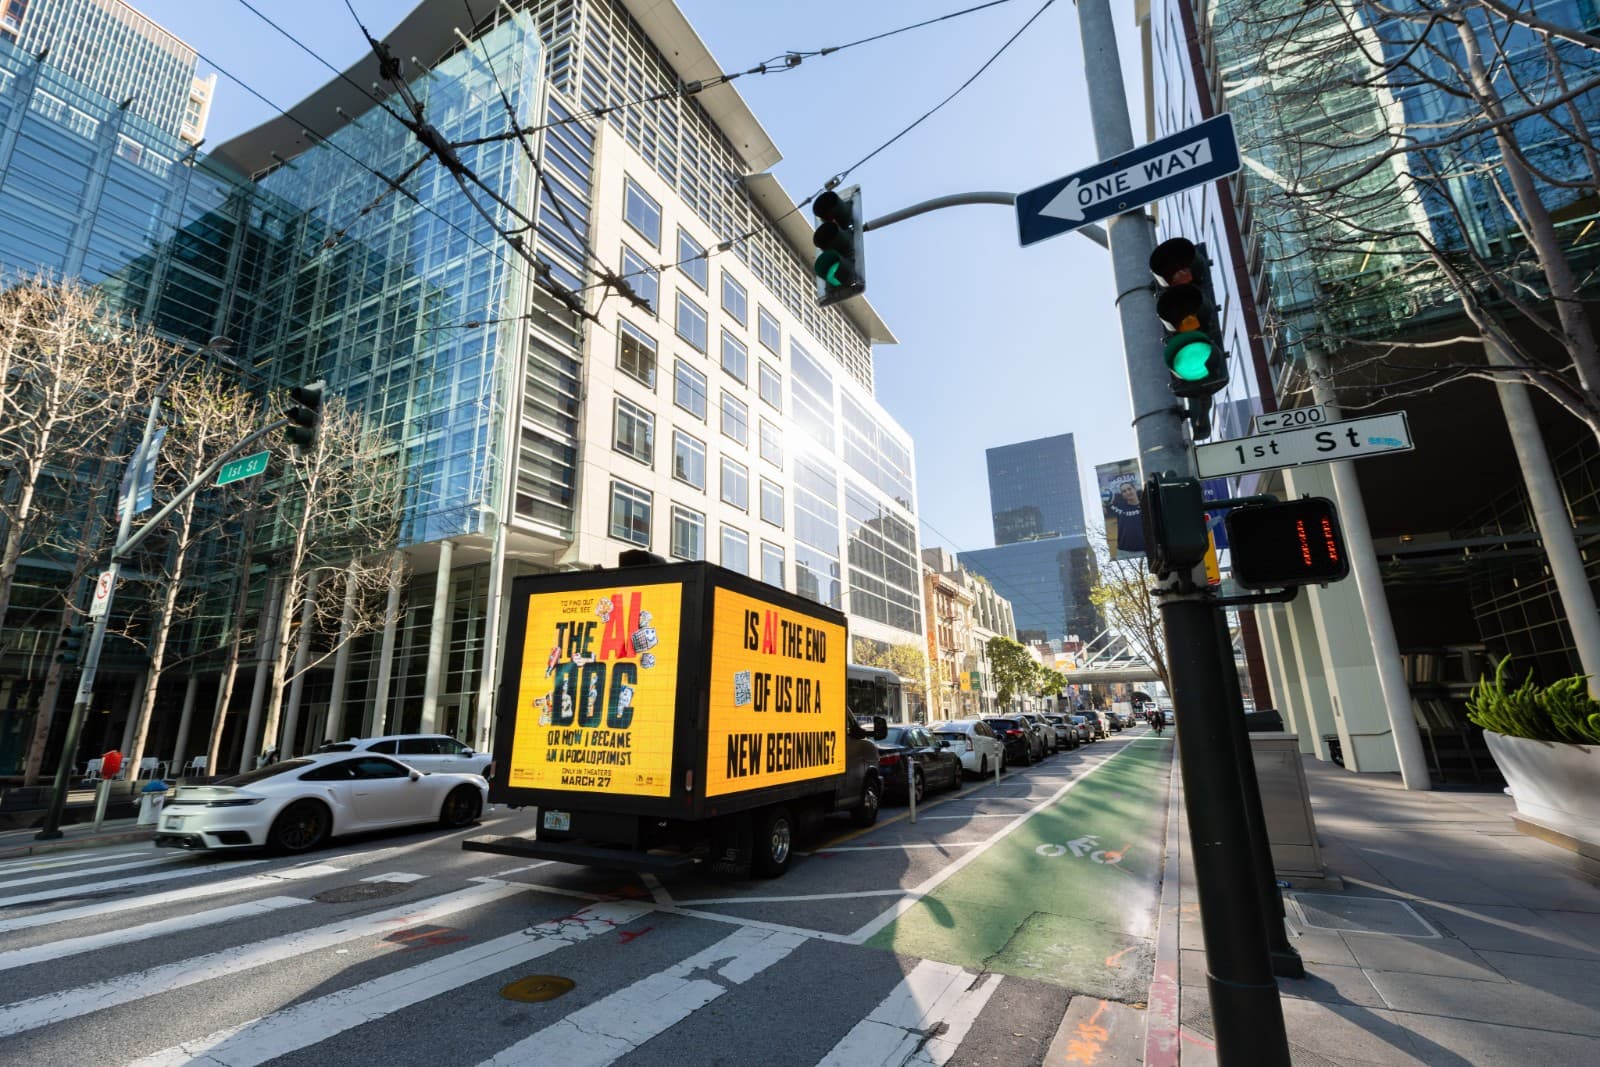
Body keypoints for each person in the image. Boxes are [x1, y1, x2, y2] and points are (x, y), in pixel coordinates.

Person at [1107, 481, 1145, 553]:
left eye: (1129, 489)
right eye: (1124, 491)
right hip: (1124, 551)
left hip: (1145, 549)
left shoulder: (1145, 505)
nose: (1127, 492)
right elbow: (1104, 508)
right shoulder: (1118, 507)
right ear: (1122, 495)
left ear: (1135, 489)